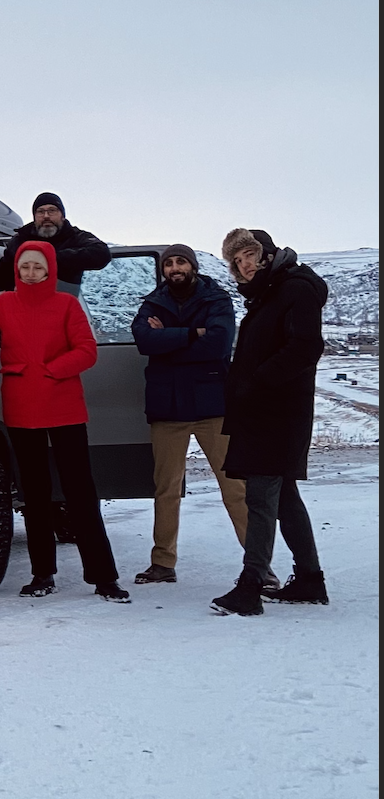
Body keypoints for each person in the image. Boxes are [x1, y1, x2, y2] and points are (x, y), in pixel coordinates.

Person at [0, 240, 131, 602]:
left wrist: (51, 370)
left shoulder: (66, 304)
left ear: (50, 270)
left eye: (38, 267)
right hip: (22, 411)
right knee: (34, 496)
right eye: (25, 267)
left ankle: (103, 577)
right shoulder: (5, 304)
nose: (31, 273)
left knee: (81, 494)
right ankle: (42, 574)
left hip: (64, 409)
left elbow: (86, 350)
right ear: (17, 270)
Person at [210, 229, 329, 617]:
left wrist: (257, 381)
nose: (244, 264)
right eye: (236, 260)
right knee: (285, 500)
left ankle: (250, 587)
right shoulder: (268, 293)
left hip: (278, 412)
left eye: (249, 254)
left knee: (261, 498)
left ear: (267, 252)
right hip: (265, 410)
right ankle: (310, 580)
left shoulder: (295, 288)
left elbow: (306, 346)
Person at [130, 244, 250, 585]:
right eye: (168, 263)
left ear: (192, 266)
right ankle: (163, 563)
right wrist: (192, 333)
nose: (174, 267)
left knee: (235, 488)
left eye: (180, 261)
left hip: (213, 406)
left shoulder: (216, 299)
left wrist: (167, 340)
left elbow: (219, 344)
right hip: (167, 408)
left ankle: (257, 563)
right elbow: (143, 341)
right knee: (165, 489)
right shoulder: (152, 302)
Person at [0, 192, 111, 293]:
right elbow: (3, 275)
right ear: (34, 217)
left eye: (52, 210)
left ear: (62, 216)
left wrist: (52, 258)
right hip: (22, 310)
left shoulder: (75, 237)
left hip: (61, 311)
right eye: (40, 211)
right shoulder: (20, 239)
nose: (46, 216)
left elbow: (102, 253)